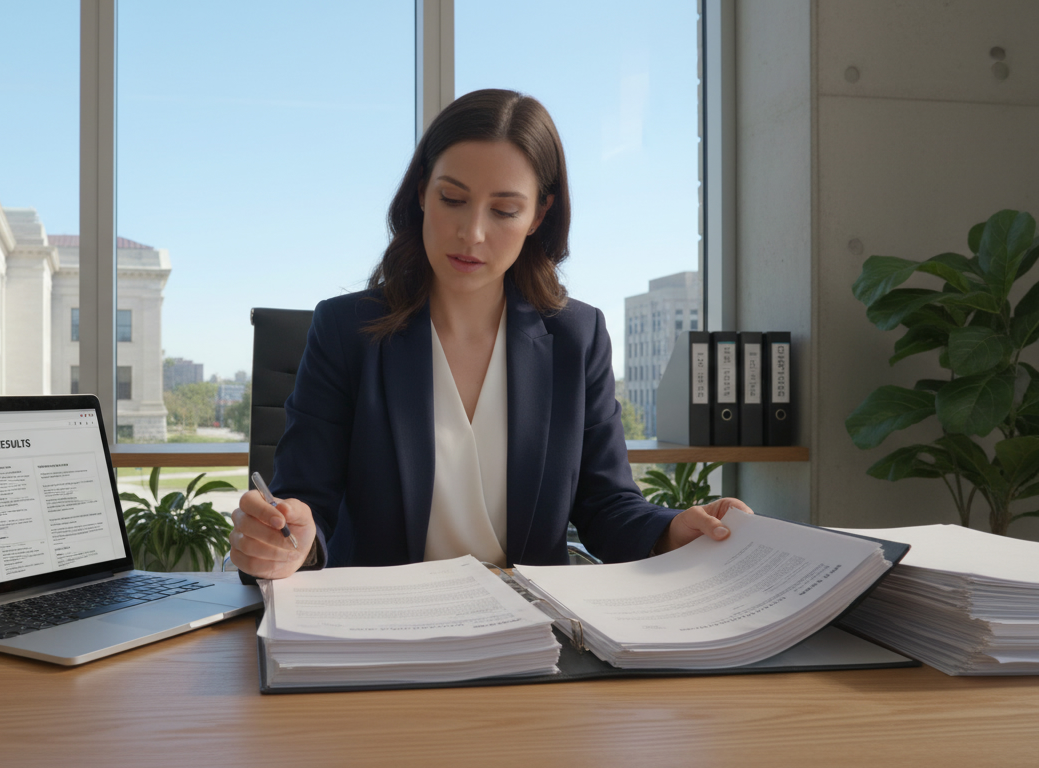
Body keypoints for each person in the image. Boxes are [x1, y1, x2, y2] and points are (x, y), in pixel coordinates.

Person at [230, 89, 751, 580]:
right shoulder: (347, 330)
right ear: (420, 193)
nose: (472, 233)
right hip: (381, 634)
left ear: (539, 215)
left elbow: (605, 505)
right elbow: (304, 503)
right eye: (452, 198)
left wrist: (670, 530)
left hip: (529, 638)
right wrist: (286, 537)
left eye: (504, 210)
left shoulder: (577, 336)